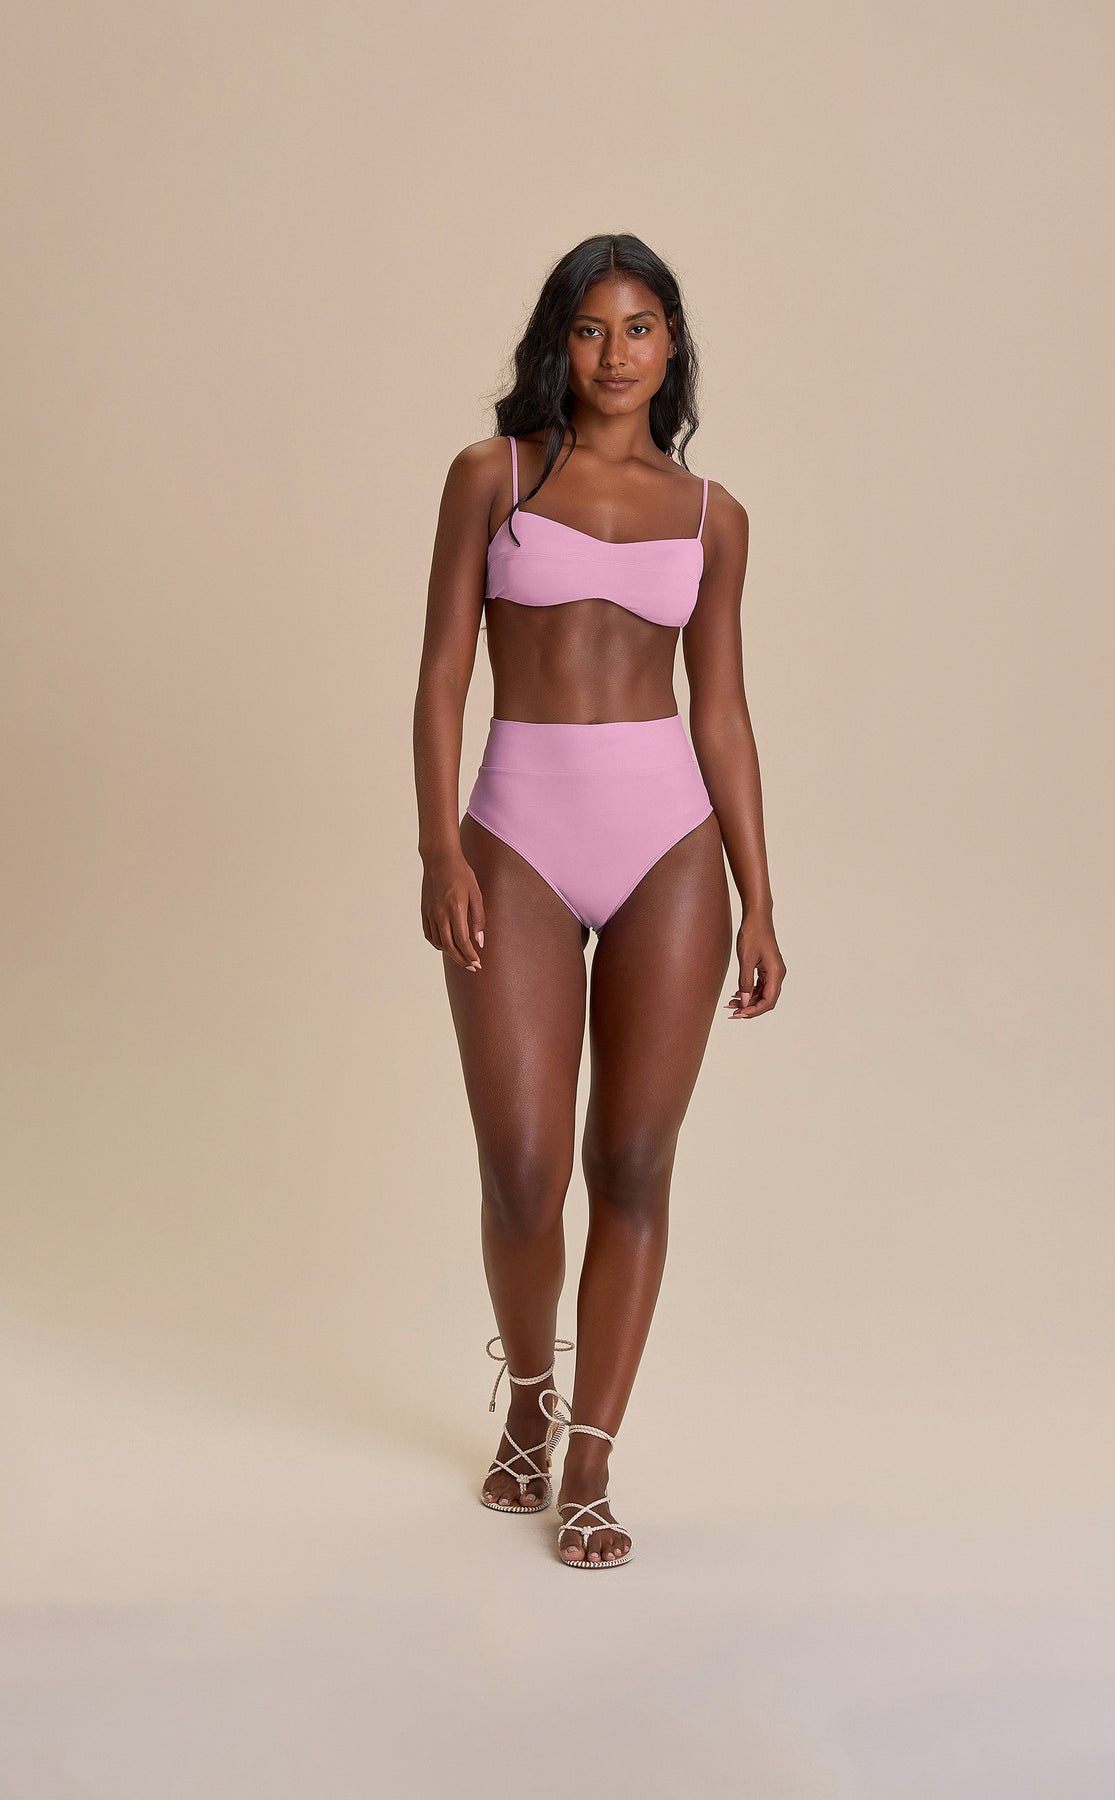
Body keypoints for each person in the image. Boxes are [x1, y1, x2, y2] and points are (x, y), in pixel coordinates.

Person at [412, 232, 785, 1569]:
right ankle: (527, 1399)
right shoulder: (493, 476)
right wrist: (438, 849)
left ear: (671, 344)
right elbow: (443, 673)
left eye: (639, 328)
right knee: (522, 1170)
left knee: (631, 1164)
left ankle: (589, 1462)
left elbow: (722, 713)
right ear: (555, 344)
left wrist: (759, 896)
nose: (615, 354)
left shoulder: (714, 515)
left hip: (668, 843)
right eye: (589, 329)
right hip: (514, 831)